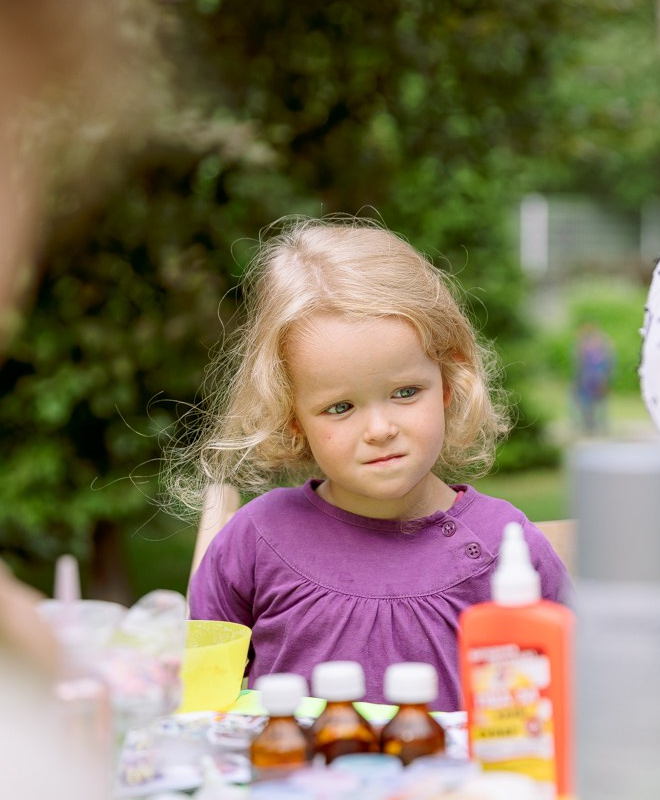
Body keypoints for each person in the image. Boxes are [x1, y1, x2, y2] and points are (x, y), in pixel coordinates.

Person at [179, 216, 572, 712]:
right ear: (292, 417)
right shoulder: (254, 543)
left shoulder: (505, 548)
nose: (380, 428)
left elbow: (580, 701)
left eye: (405, 392)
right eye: (340, 408)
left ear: (447, 384)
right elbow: (199, 708)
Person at [573, 322, 614, 435]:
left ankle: (599, 425)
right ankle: (589, 426)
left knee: (598, 403)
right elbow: (580, 363)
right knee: (587, 402)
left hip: (596, 377)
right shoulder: (584, 346)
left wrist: (606, 377)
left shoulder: (601, 347)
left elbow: (608, 363)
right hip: (587, 378)